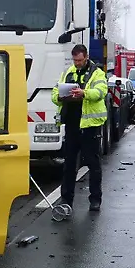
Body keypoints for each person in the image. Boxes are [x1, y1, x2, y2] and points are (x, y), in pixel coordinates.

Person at [51, 44, 108, 212]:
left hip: (89, 127)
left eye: (80, 60)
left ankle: (95, 199)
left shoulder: (97, 73)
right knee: (69, 165)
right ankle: (66, 200)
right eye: (75, 60)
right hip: (72, 125)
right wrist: (60, 97)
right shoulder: (68, 73)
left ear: (86, 57)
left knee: (93, 164)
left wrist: (84, 93)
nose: (77, 63)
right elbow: (54, 93)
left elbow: (100, 92)